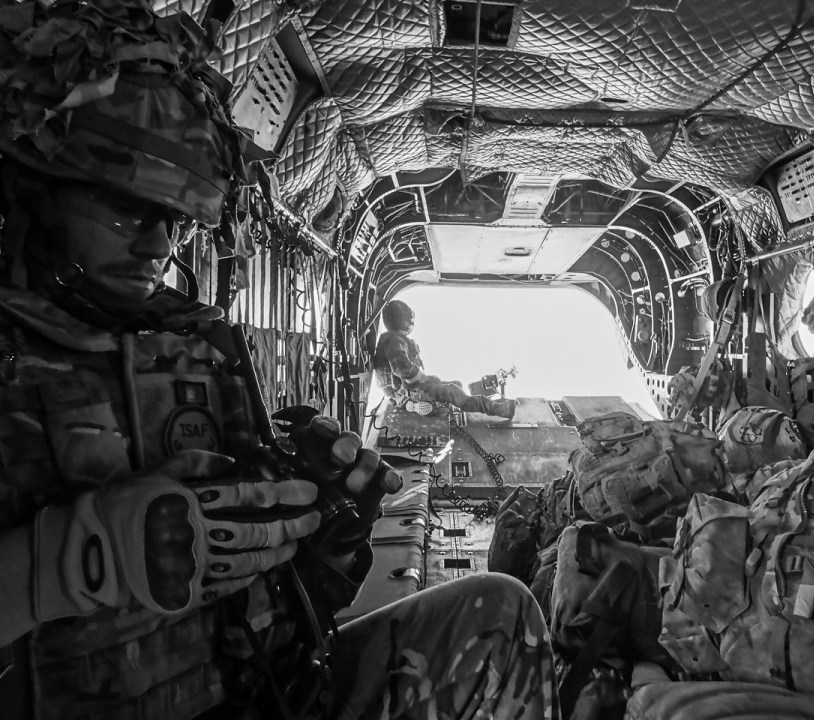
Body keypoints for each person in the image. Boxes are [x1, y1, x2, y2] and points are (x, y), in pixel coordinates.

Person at [0, 3, 557, 719]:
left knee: (498, 614)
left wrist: (326, 529)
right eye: (126, 209)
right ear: (31, 191)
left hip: (261, 694)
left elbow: (283, 611)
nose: (157, 245)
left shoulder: (197, 352)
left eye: (175, 222)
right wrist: (62, 565)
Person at [373, 299, 517, 419]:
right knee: (453, 390)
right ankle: (498, 409)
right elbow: (403, 370)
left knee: (457, 384)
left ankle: (446, 406)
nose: (411, 323)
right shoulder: (394, 341)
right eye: (408, 320)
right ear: (400, 320)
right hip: (407, 394)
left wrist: (430, 380)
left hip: (407, 390)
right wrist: (427, 379)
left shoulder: (391, 339)